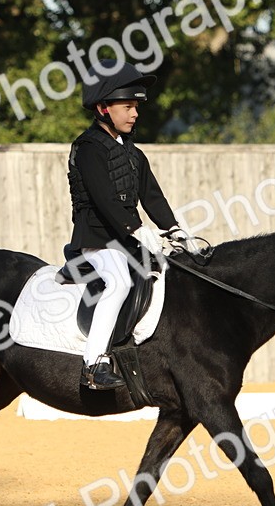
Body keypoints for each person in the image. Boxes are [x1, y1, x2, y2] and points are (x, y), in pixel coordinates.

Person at [66, 60, 199, 390]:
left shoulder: (133, 154)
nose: (134, 113)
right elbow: (103, 199)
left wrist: (174, 230)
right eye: (127, 107)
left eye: (136, 107)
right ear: (102, 108)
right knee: (119, 280)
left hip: (126, 241)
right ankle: (94, 364)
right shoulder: (88, 149)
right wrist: (136, 229)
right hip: (94, 243)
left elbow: (152, 197)